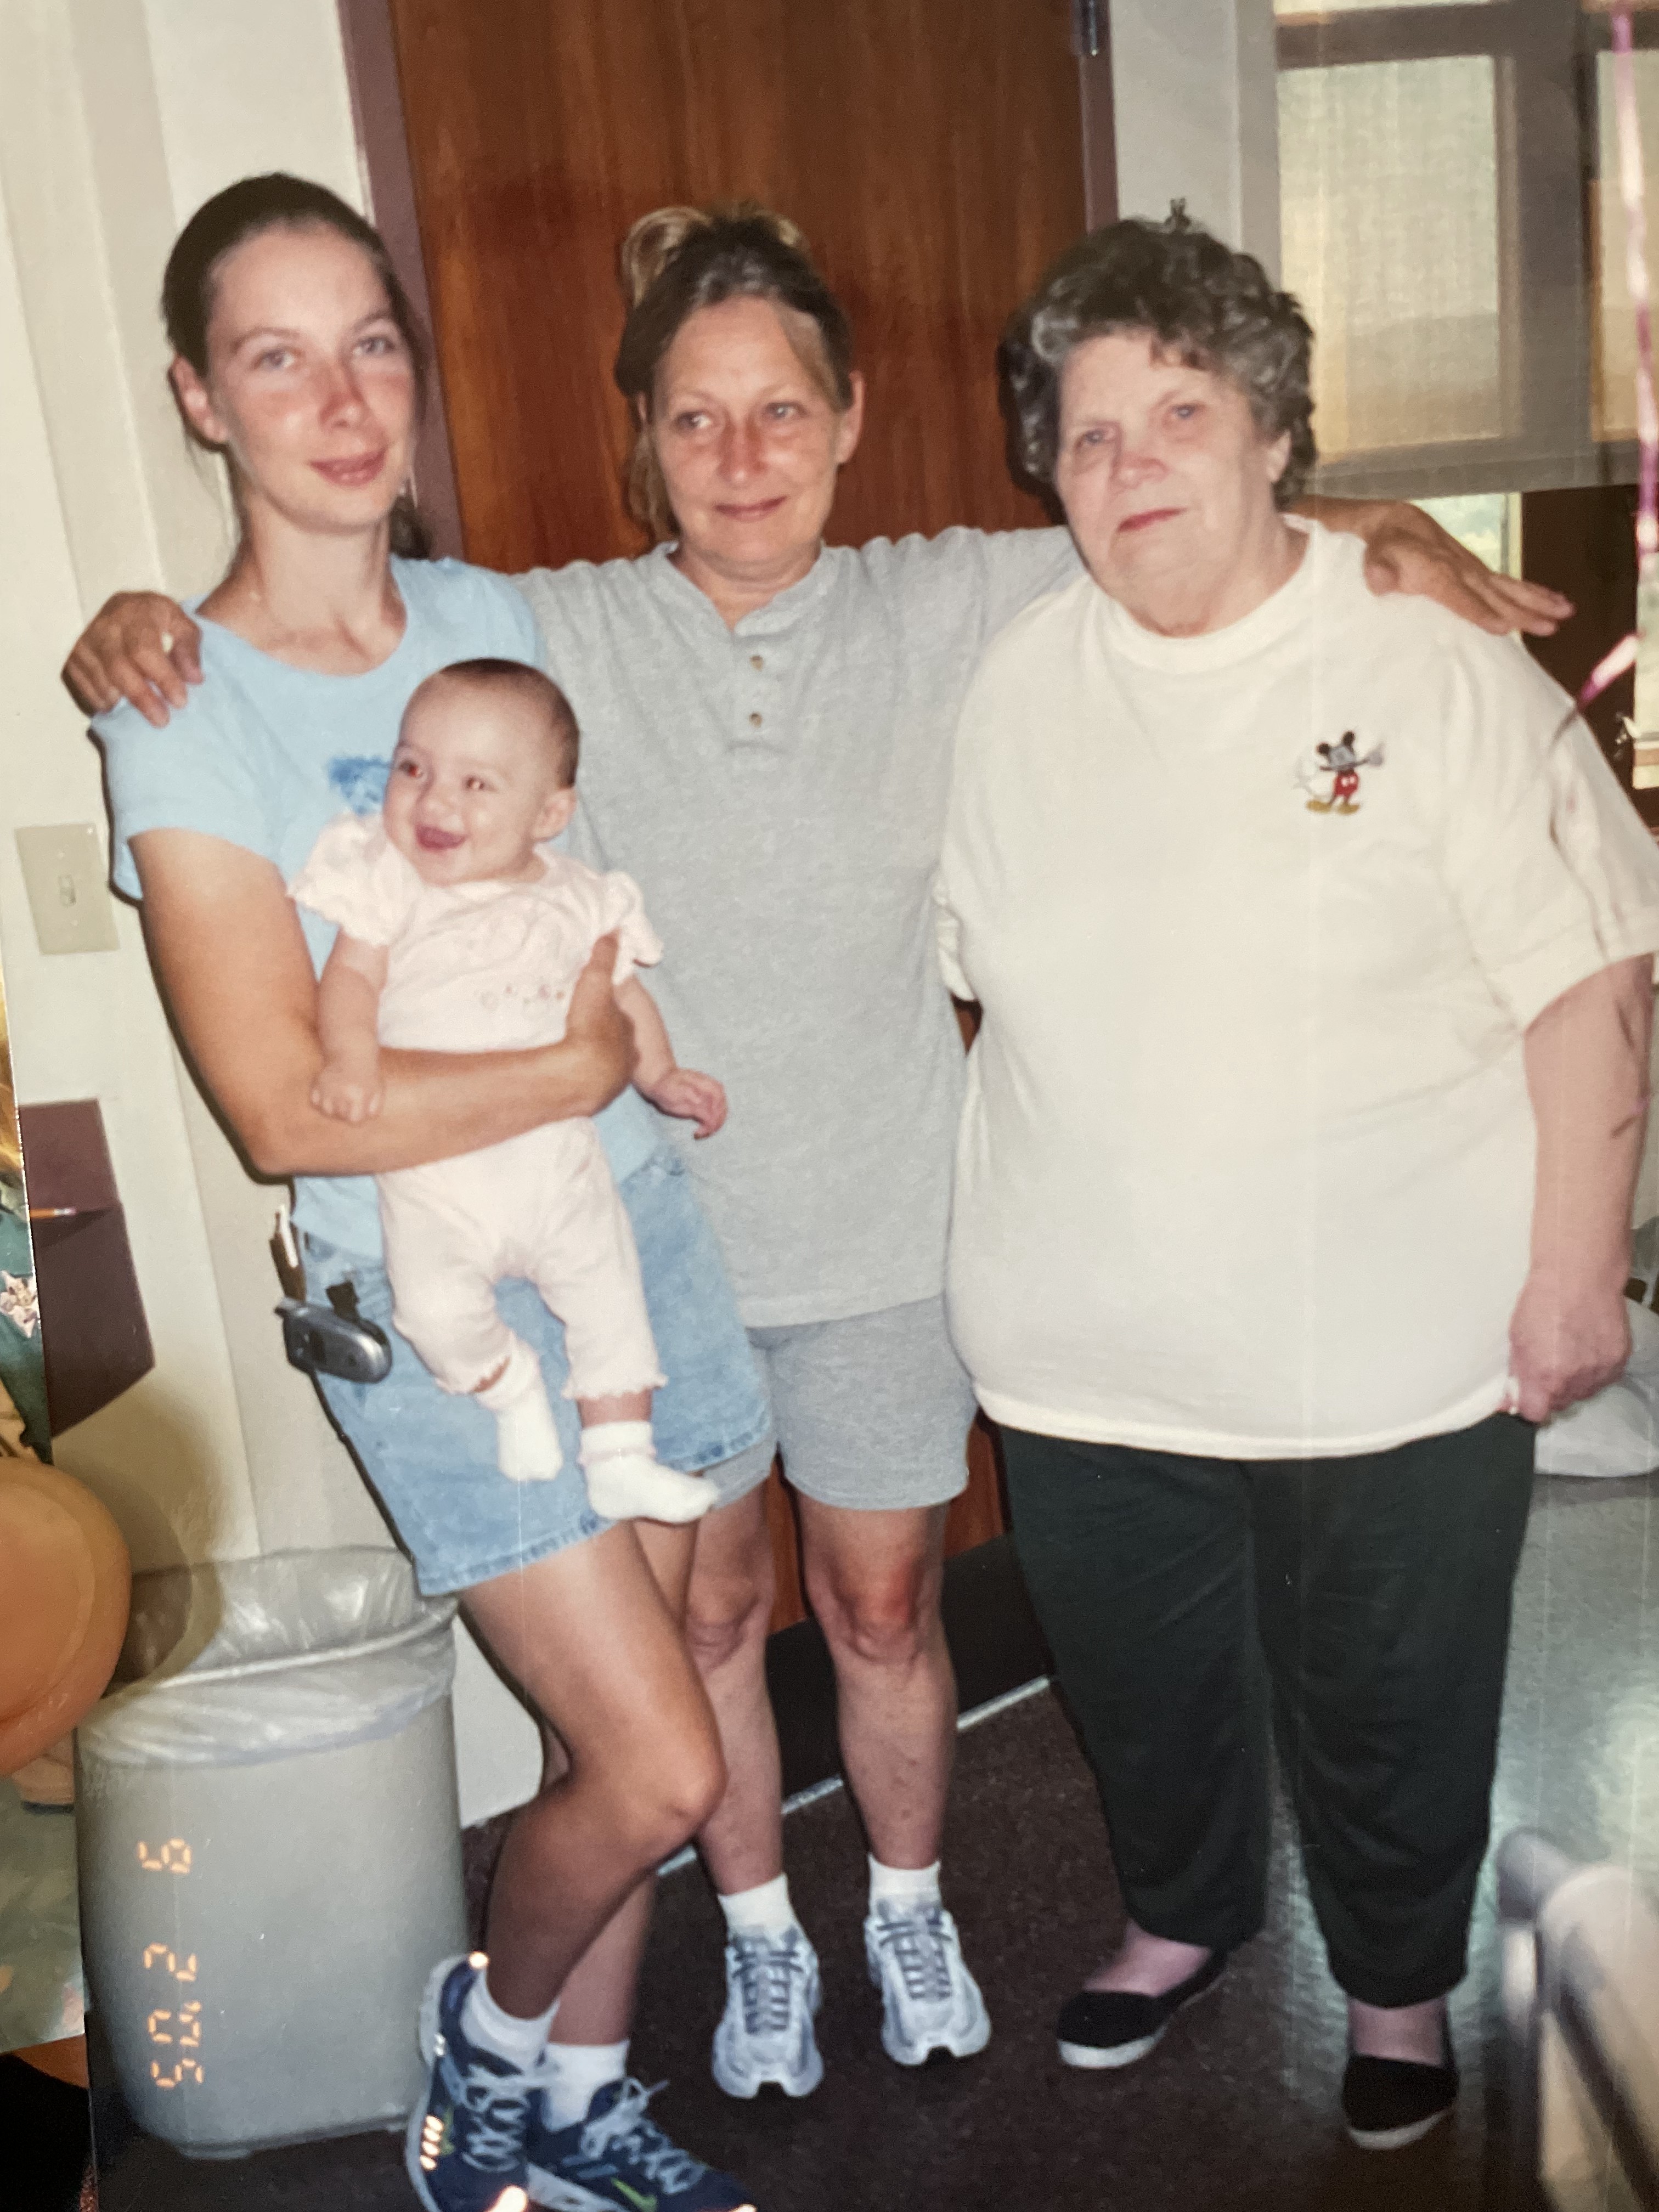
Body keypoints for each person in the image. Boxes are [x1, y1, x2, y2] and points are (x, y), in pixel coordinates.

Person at [64, 193, 1571, 2111]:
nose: (743, 455)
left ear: (851, 421)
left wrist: (1381, 525)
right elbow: (325, 666)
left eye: (783, 409)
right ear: (643, 443)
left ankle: (910, 1911)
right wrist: (135, 623)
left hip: (884, 1234)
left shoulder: (952, 596)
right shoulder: (547, 623)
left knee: (879, 1610)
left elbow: (1181, 509)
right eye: (694, 418)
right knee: (704, 1628)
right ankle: (762, 1937)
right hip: (650, 1236)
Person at [933, 208, 1659, 2151]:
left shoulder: (1428, 652)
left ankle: (1397, 1979)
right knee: (1140, 1681)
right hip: (1085, 1351)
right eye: (1089, 435)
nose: (1132, 465)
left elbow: (1595, 979)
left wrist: (1577, 1274)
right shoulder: (1013, 678)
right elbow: (975, 973)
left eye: (1182, 414)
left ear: (1274, 434)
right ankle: (1180, 1916)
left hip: (1391, 1344)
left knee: (1393, 1693)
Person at [88, 176, 769, 2212]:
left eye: (370, 343)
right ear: (199, 398)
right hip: (428, 1291)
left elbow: (581, 893)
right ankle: (483, 2045)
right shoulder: (179, 707)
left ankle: (574, 2112)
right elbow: (287, 1112)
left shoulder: (497, 617)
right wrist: (567, 1067)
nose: (339, 397)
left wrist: (1327, 521)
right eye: (275, 356)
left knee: (640, 1712)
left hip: (626, 1225)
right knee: (662, 1763)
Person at [295, 656, 722, 1523]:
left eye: (476, 784)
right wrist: (350, 1060)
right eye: (413, 768)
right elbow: (352, 981)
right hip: (435, 1169)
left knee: (611, 1299)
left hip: (558, 1161)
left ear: (550, 814)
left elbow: (625, 999)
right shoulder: (389, 881)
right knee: (432, 1311)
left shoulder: (583, 898)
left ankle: (620, 1453)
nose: (434, 801)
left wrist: (662, 1074)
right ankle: (508, 1383)